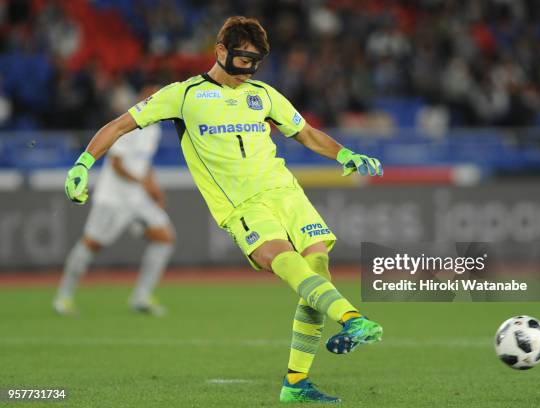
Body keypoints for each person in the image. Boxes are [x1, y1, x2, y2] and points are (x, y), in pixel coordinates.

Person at [63, 16, 383, 403]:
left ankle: (295, 385)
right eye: (244, 60)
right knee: (282, 261)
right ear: (220, 51)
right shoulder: (182, 95)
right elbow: (117, 126)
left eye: (256, 62)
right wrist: (84, 163)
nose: (249, 70)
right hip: (241, 205)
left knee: (316, 271)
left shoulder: (263, 94)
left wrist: (345, 153)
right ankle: (352, 318)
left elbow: (307, 133)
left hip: (286, 192)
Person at [55, 85, 174, 317]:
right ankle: (64, 297)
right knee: (92, 244)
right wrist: (143, 182)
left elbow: (143, 162)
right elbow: (117, 164)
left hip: (136, 197)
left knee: (165, 238)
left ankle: (141, 296)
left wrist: (154, 188)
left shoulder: (154, 129)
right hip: (113, 198)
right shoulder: (132, 124)